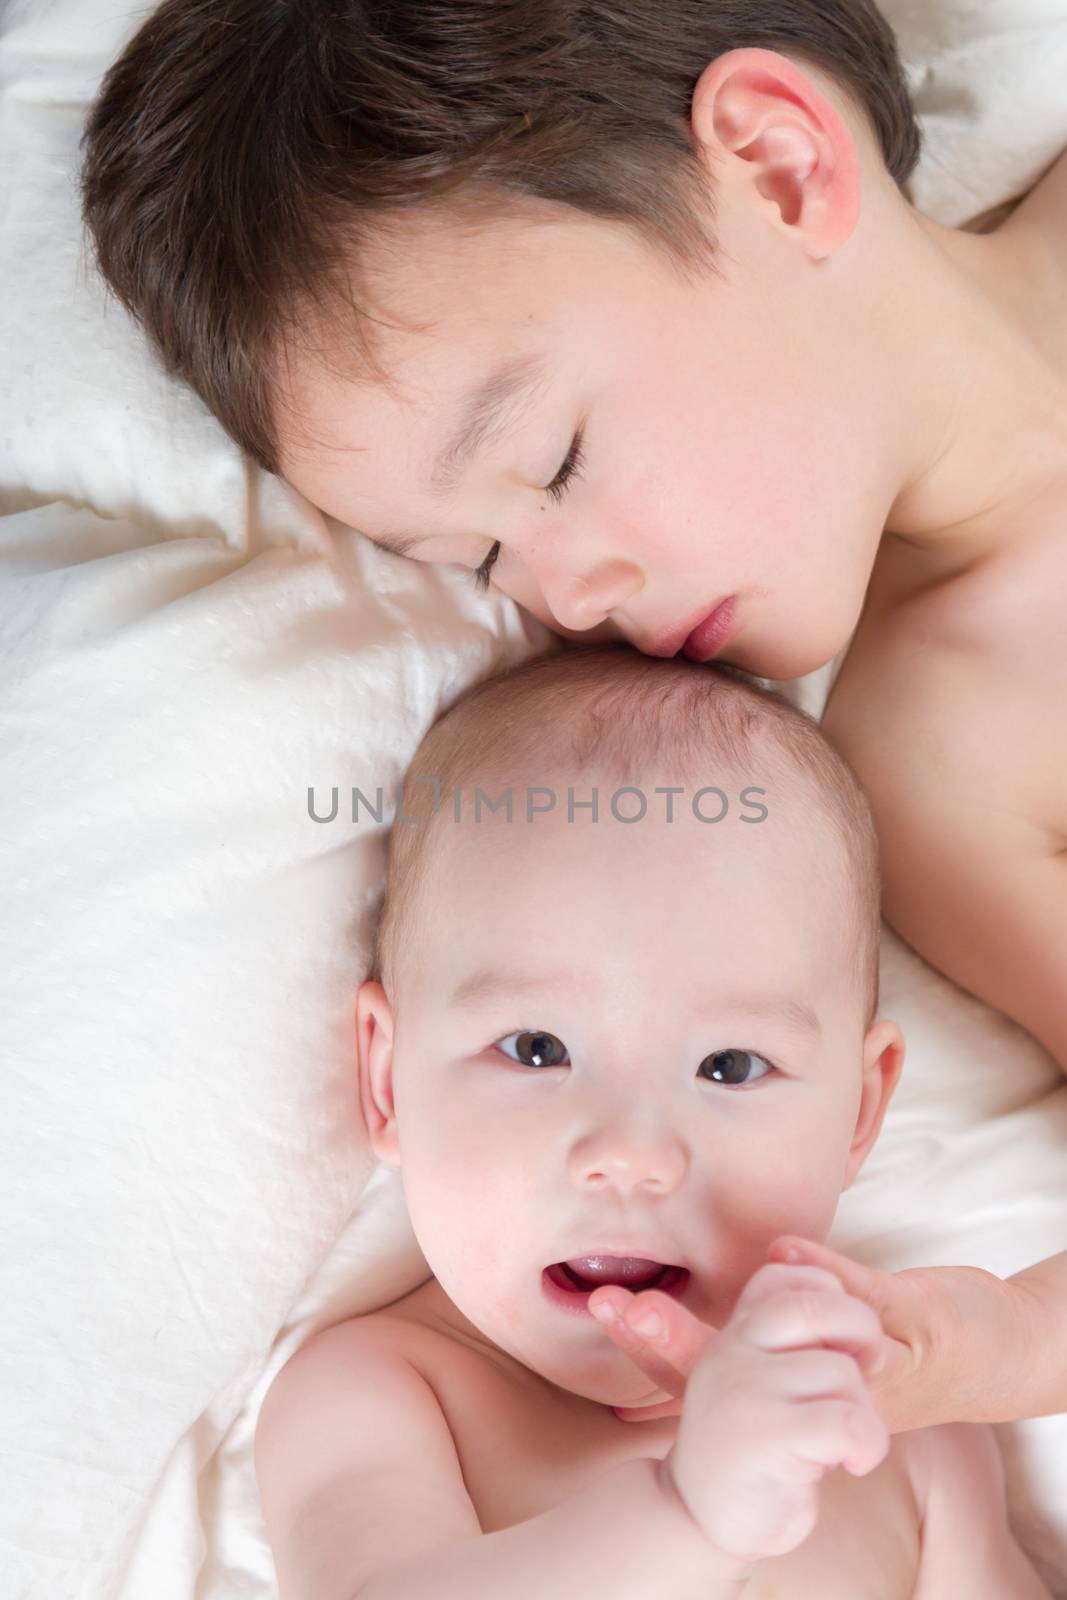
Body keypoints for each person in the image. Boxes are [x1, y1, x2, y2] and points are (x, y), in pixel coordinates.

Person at [79, 2, 1067, 1435]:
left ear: (779, 167)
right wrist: (977, 1351)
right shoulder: (939, 769)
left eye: (551, 463)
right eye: (476, 565)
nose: (565, 592)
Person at [253, 644, 1048, 1599]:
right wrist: (689, 1511)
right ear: (388, 1082)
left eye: (729, 1065)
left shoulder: (901, 1417)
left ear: (858, 1113)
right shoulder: (386, 1396)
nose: (629, 1156)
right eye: (536, 1048)